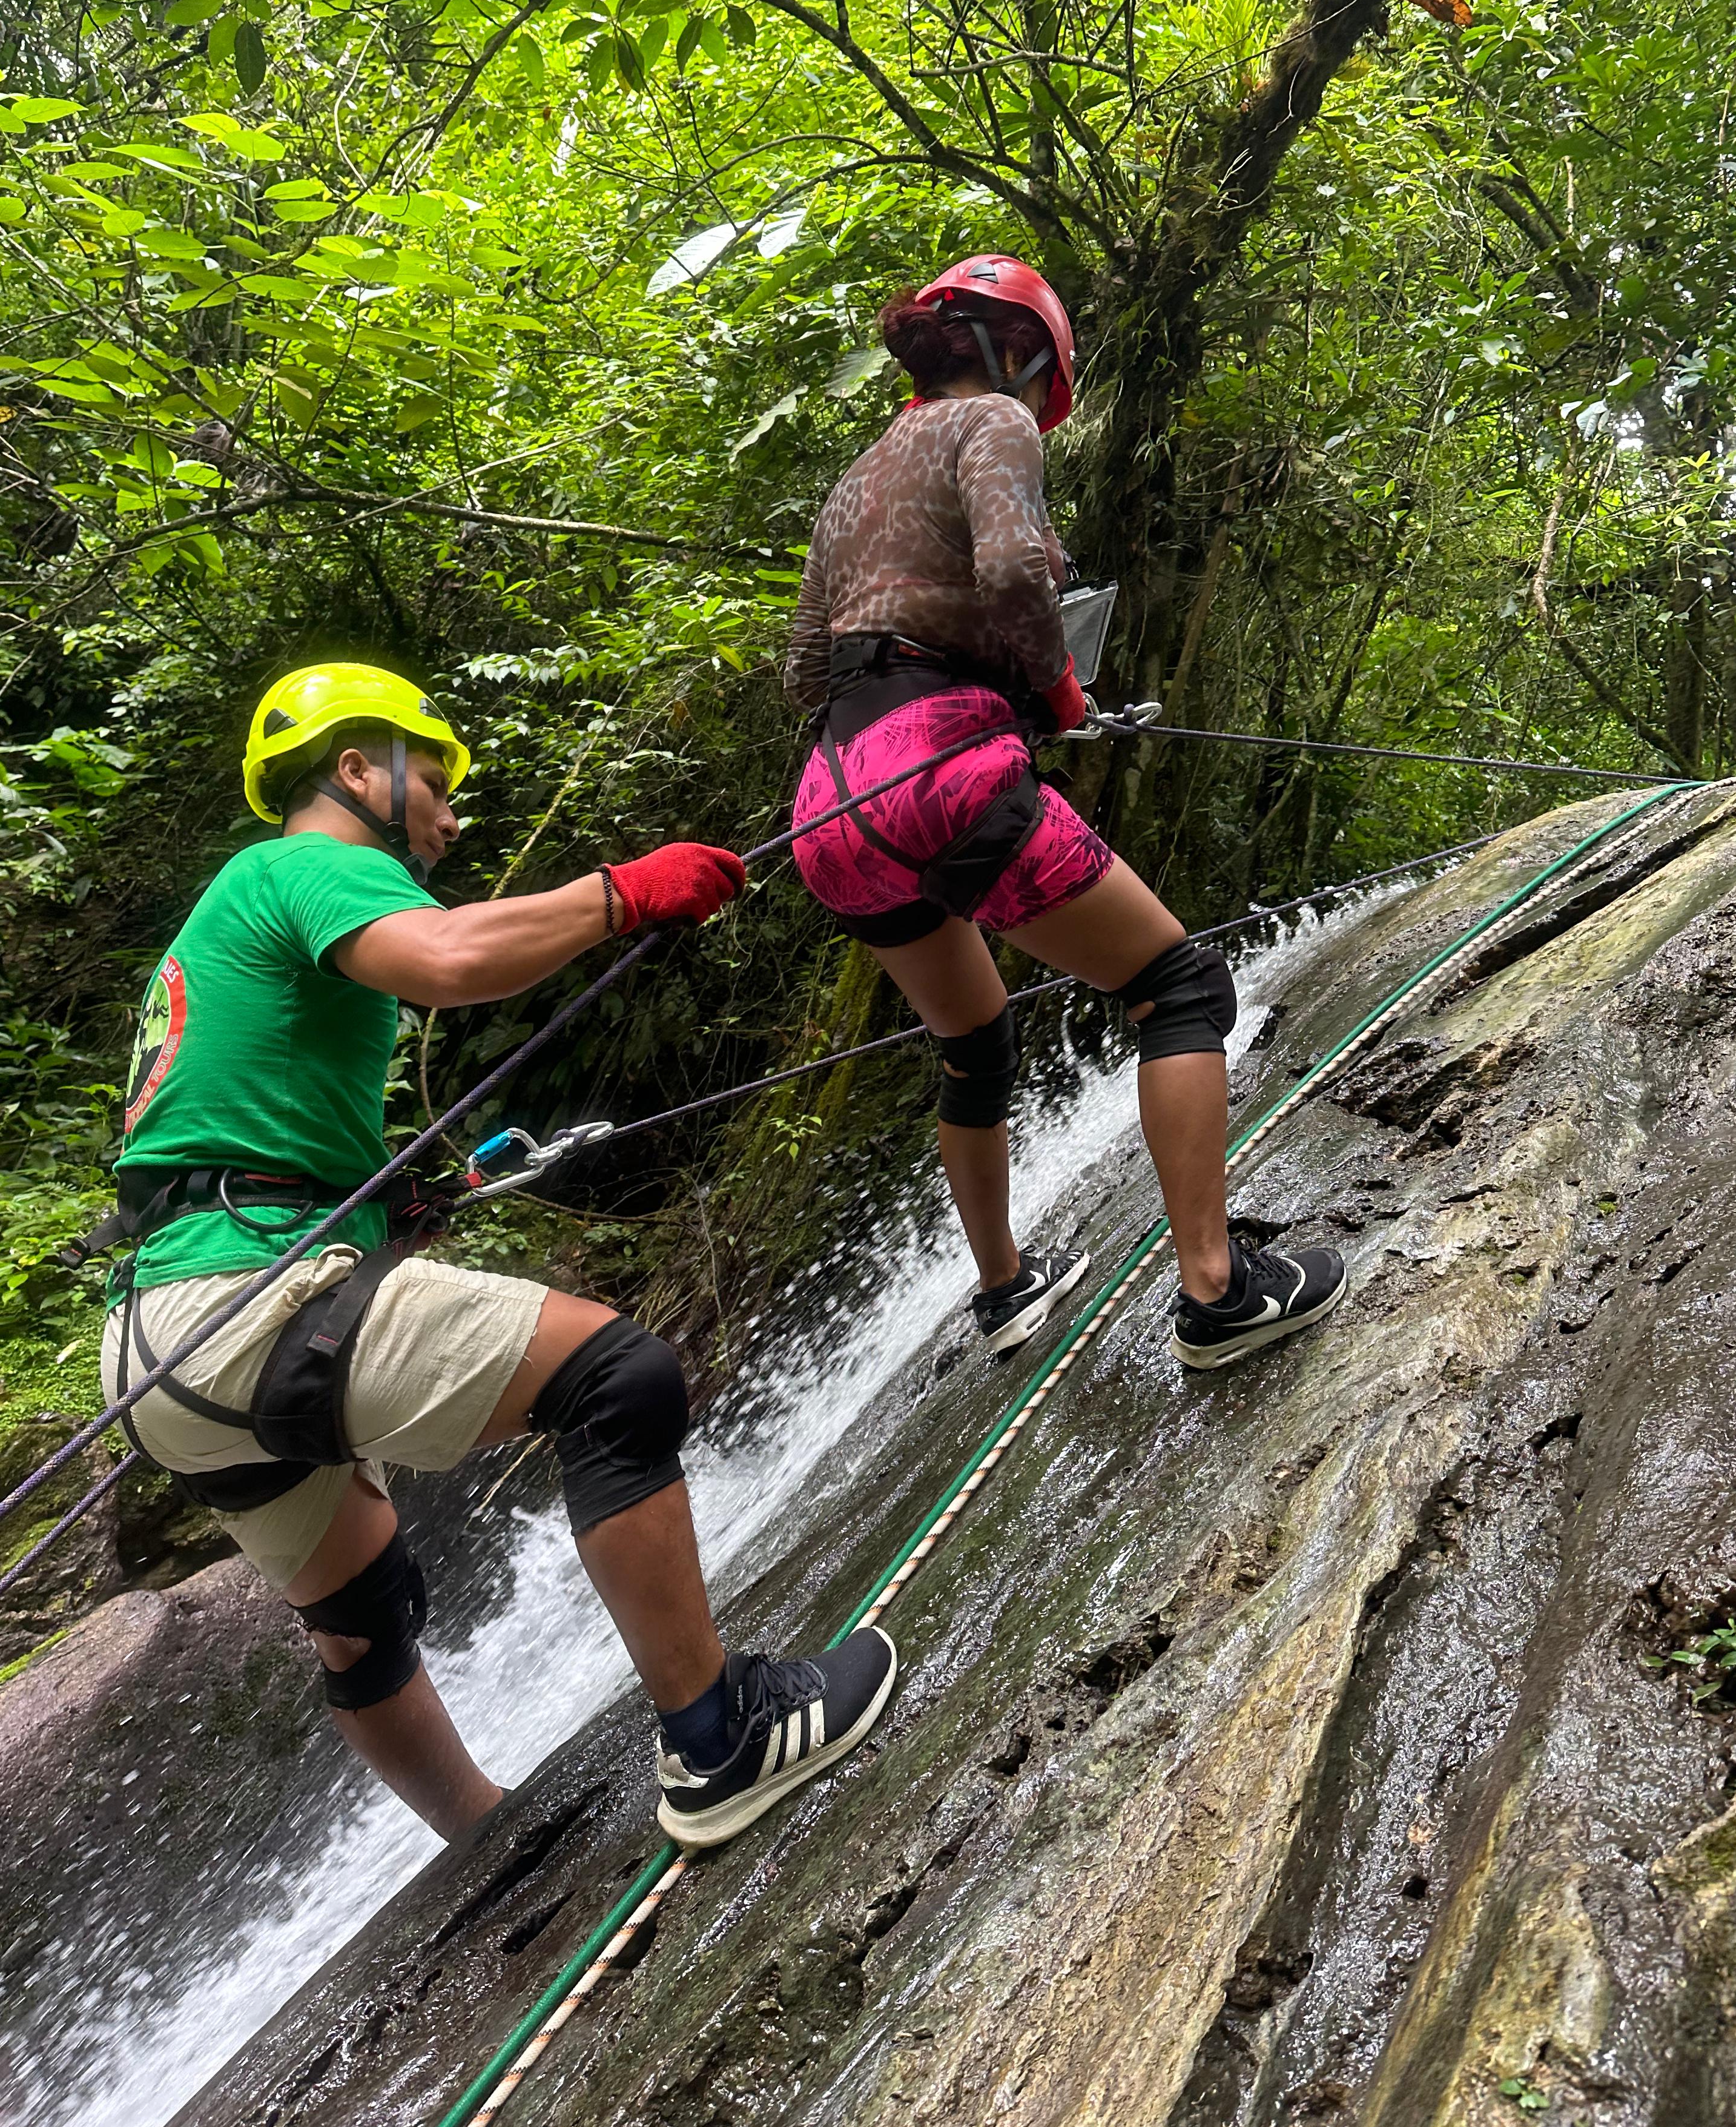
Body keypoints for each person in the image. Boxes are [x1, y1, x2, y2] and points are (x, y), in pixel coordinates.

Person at [99, 661, 895, 1848]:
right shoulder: (307, 862)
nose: (453, 817)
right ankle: (720, 1740)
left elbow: (227, 1145)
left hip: (155, 1349)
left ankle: (489, 1841)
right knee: (617, 1380)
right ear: (359, 767)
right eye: (439, 782)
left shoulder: (234, 923)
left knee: (360, 1615)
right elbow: (457, 959)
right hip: (247, 1298)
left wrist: (408, 1196)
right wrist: (622, 893)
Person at [784, 254, 1347, 1368]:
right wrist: (1056, 694)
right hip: (939, 764)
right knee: (1178, 985)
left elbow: (805, 666)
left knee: (975, 1037)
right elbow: (1011, 575)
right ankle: (1218, 1291)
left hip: (828, 802)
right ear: (1027, 355)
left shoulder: (855, 481)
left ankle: (1005, 1291)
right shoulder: (994, 420)